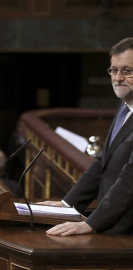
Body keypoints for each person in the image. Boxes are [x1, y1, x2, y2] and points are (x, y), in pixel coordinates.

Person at [38, 37, 133, 237]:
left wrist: (90, 224)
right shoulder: (125, 107)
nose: (117, 78)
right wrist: (67, 204)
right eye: (113, 70)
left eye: (127, 70)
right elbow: (102, 162)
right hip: (110, 226)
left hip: (126, 233)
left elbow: (130, 180)